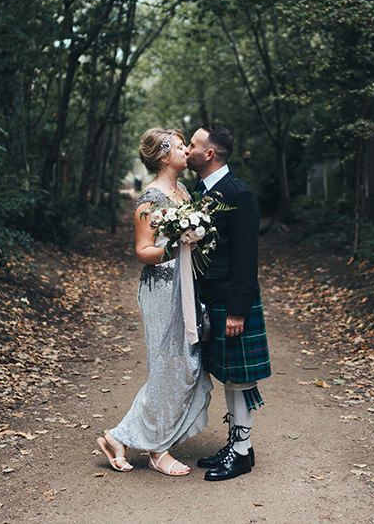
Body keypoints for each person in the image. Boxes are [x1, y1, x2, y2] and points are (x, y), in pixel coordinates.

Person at [96, 128, 212, 476]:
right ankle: (157, 449)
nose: (186, 151)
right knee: (169, 368)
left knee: (190, 366)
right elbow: (143, 251)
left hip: (188, 286)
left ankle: (119, 438)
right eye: (180, 147)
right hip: (162, 289)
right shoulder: (151, 199)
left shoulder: (184, 191)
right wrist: (175, 246)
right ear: (164, 157)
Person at [185, 124, 271, 481]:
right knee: (228, 375)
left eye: (192, 144)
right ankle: (240, 449)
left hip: (231, 300)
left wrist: (239, 309)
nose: (186, 149)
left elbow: (246, 258)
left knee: (239, 379)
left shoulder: (239, 193)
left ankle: (240, 451)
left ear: (210, 154)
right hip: (209, 297)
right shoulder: (198, 192)